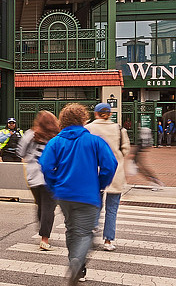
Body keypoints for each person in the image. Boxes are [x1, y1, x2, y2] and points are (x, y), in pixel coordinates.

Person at [39, 103, 117, 285]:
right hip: (88, 195)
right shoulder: (94, 141)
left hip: (64, 194)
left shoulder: (56, 142)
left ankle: (75, 263)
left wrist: (54, 185)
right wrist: (100, 184)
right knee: (85, 233)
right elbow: (110, 165)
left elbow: (46, 166)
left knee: (71, 229)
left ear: (63, 120)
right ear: (83, 119)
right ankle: (76, 263)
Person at [85, 103, 129, 252]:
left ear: (95, 113)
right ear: (110, 114)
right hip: (115, 173)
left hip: (94, 172)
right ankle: (108, 241)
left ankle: (92, 228)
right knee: (112, 209)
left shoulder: (88, 129)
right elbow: (126, 149)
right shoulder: (118, 129)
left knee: (95, 204)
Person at [17, 110, 60, 250]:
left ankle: (41, 231)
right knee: (49, 206)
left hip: (32, 175)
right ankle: (44, 238)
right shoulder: (57, 136)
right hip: (51, 175)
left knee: (40, 205)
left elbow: (20, 153)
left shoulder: (30, 134)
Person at [129, 120, 163, 189]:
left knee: (142, 169)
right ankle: (155, 181)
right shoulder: (145, 136)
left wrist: (133, 154)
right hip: (138, 154)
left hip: (138, 155)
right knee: (141, 168)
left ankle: (155, 181)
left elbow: (140, 145)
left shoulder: (143, 136)